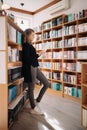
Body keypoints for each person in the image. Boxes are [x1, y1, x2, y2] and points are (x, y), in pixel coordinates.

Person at [22, 28, 50, 115]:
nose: (34, 37)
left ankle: (37, 100)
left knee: (47, 83)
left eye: (34, 35)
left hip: (35, 67)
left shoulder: (30, 45)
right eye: (32, 35)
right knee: (31, 88)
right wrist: (39, 54)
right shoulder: (26, 45)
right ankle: (33, 108)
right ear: (27, 35)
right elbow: (27, 59)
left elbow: (33, 57)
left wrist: (39, 53)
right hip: (30, 67)